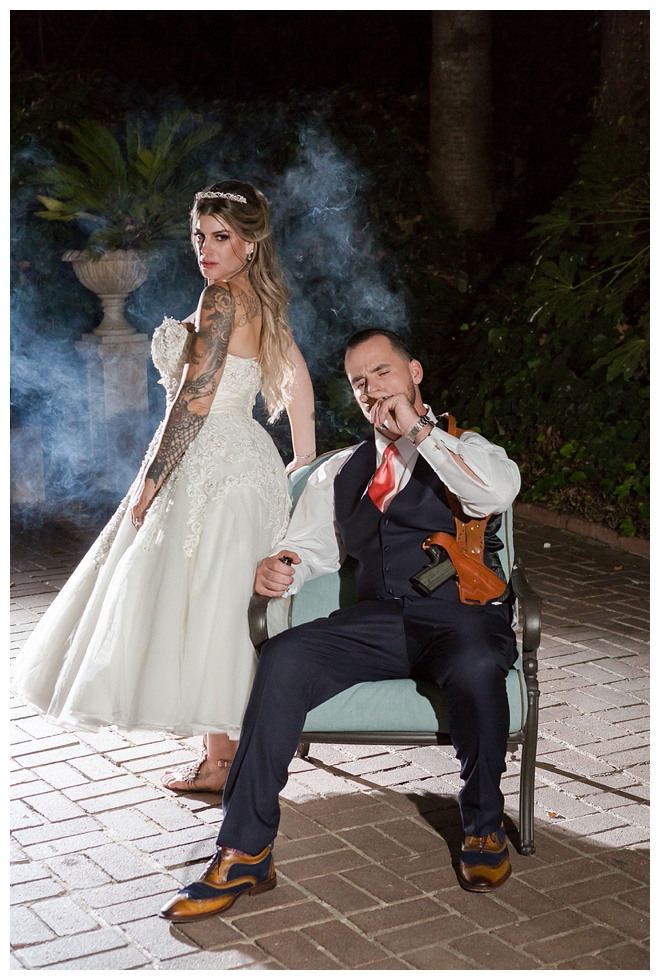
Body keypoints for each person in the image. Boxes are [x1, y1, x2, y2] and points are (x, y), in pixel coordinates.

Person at [159, 327, 522, 922]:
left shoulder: (465, 446)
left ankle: (483, 825)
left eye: (383, 372)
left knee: (480, 663)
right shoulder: (343, 470)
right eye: (359, 383)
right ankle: (245, 850)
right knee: (284, 657)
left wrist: (419, 432)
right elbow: (310, 547)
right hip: (378, 620)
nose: (373, 389)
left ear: (414, 373)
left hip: (459, 618)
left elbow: (496, 493)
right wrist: (283, 566)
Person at [11, 179, 316, 793]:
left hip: (208, 461)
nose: (205, 249)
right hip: (248, 461)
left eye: (221, 237)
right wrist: (301, 456)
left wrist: (153, 478)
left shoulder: (220, 297)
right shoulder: (261, 298)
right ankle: (239, 748)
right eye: (199, 236)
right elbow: (297, 381)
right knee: (227, 602)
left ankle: (222, 762)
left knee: (205, 601)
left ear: (250, 242)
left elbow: (194, 400)